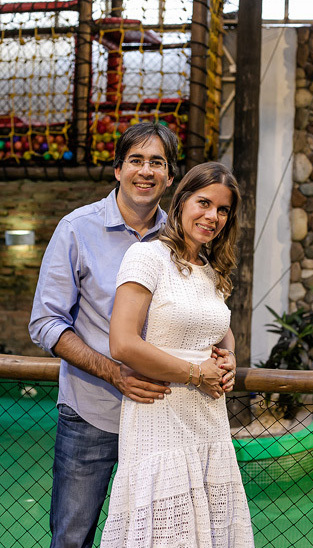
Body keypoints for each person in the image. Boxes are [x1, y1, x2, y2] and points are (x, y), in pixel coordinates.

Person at [28, 123, 232, 548]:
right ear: (118, 169)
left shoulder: (185, 238)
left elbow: (205, 316)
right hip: (94, 413)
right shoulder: (76, 229)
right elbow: (45, 323)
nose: (146, 171)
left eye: (156, 162)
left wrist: (226, 354)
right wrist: (113, 372)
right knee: (72, 536)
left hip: (168, 417)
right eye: (136, 161)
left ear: (171, 178)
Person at [101, 162, 253, 546]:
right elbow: (122, 343)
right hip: (160, 414)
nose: (212, 216)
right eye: (204, 203)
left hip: (208, 420)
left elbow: (218, 331)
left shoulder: (211, 269)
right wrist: (194, 373)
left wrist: (229, 357)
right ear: (182, 200)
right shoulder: (147, 257)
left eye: (223, 210)